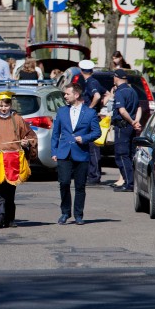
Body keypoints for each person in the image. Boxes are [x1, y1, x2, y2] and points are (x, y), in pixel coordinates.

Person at [0, 92, 38, 228]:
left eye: (6, 106)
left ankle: (9, 219)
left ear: (10, 105)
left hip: (13, 159)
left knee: (10, 190)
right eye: (1, 106)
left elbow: (30, 135)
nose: (3, 108)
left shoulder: (17, 120)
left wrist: (26, 142)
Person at [51, 83, 102, 225]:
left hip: (81, 153)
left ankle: (78, 215)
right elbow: (55, 133)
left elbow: (97, 132)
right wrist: (54, 151)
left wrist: (84, 138)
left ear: (76, 95)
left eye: (67, 94)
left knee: (80, 186)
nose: (65, 96)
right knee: (64, 183)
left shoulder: (90, 112)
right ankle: (65, 212)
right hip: (64, 152)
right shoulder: (62, 111)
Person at [111, 68, 141, 192]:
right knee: (130, 155)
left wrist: (132, 122)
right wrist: (136, 121)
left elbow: (122, 111)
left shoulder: (120, 92)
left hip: (122, 127)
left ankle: (129, 183)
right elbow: (139, 108)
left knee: (122, 156)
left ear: (116, 77)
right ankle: (132, 182)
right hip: (131, 128)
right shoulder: (132, 91)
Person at [78, 59, 106, 185]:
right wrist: (101, 106)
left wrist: (90, 109)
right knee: (91, 146)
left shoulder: (91, 82)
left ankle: (94, 175)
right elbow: (107, 94)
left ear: (81, 71)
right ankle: (92, 174)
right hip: (93, 116)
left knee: (92, 147)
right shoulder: (94, 81)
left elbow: (98, 96)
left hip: (91, 118)